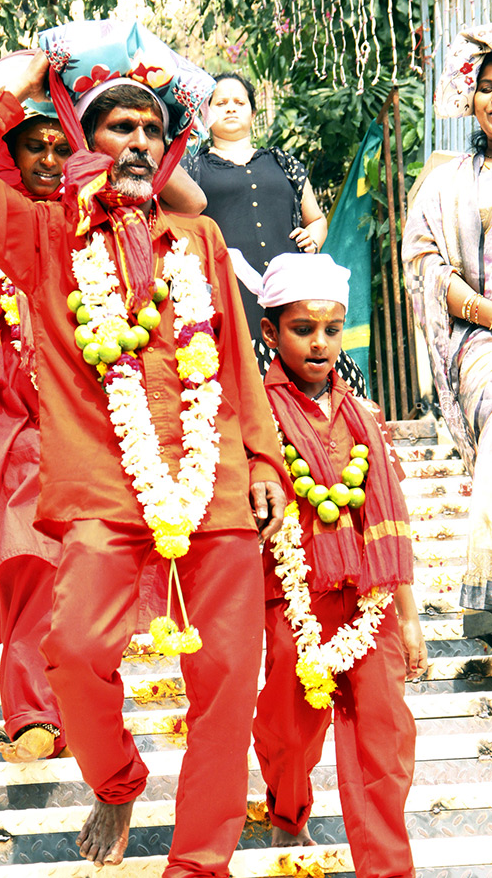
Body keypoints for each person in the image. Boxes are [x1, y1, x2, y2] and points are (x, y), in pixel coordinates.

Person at [0, 19, 288, 876]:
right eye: (118, 126)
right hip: (100, 492)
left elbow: (238, 362)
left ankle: (199, 864)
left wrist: (267, 461)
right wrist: (26, 71)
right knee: (77, 653)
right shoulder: (46, 238)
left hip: (216, 487)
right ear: (86, 141)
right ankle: (117, 779)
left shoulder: (196, 240)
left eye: (152, 128)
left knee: (231, 678)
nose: (137, 140)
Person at [0, 58, 206, 763]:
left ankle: (72, 704)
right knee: (28, 563)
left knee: (71, 571)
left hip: (80, 425)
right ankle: (32, 714)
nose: (47, 158)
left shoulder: (101, 225)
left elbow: (191, 203)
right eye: (32, 147)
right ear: (10, 155)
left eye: (57, 145)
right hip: (3, 424)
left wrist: (139, 114)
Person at [252, 253, 427, 876]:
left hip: (370, 598)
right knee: (288, 732)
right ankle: (287, 810)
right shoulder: (254, 414)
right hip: (292, 599)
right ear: (270, 332)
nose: (321, 343)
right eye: (303, 329)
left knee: (385, 734)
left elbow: (391, 513)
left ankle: (387, 866)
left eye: (332, 329)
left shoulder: (362, 414)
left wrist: (407, 617)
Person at [403, 24, 492, 634]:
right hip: (481, 338)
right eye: (487, 86)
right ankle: (486, 586)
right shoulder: (448, 180)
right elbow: (425, 261)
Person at [184, 74, 326, 366]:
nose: (231, 108)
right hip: (227, 292)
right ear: (205, 114)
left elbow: (317, 219)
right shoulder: (190, 168)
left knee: (299, 368)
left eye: (239, 102)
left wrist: (313, 237)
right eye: (221, 103)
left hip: (291, 289)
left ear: (253, 112)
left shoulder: (283, 162)